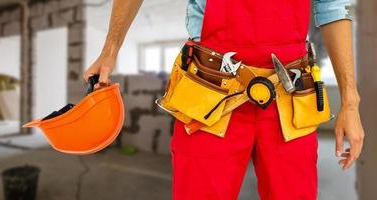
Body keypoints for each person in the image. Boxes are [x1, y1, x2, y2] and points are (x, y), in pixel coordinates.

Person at [83, 0, 365, 199]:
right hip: (210, 91)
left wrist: (350, 103)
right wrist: (110, 48)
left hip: (289, 98)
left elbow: (331, 7)